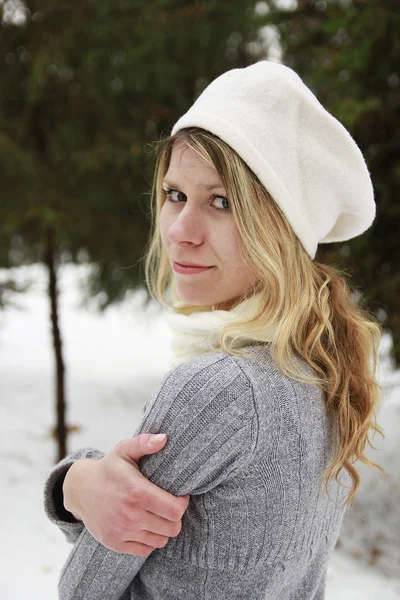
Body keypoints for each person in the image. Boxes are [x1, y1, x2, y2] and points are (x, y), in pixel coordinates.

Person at [43, 60, 384, 600]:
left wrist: (70, 483)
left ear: (279, 229)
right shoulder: (323, 369)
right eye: (175, 194)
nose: (180, 231)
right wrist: (80, 484)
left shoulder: (220, 388)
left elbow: (84, 589)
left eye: (220, 202)